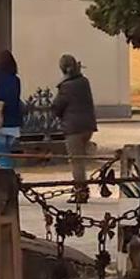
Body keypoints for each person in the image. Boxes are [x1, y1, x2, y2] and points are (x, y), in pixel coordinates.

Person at [52, 54, 98, 204]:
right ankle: (82, 189)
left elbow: (58, 106)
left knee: (76, 161)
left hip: (73, 128)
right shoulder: (84, 81)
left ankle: (80, 192)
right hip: (87, 126)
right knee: (81, 160)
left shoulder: (66, 86)